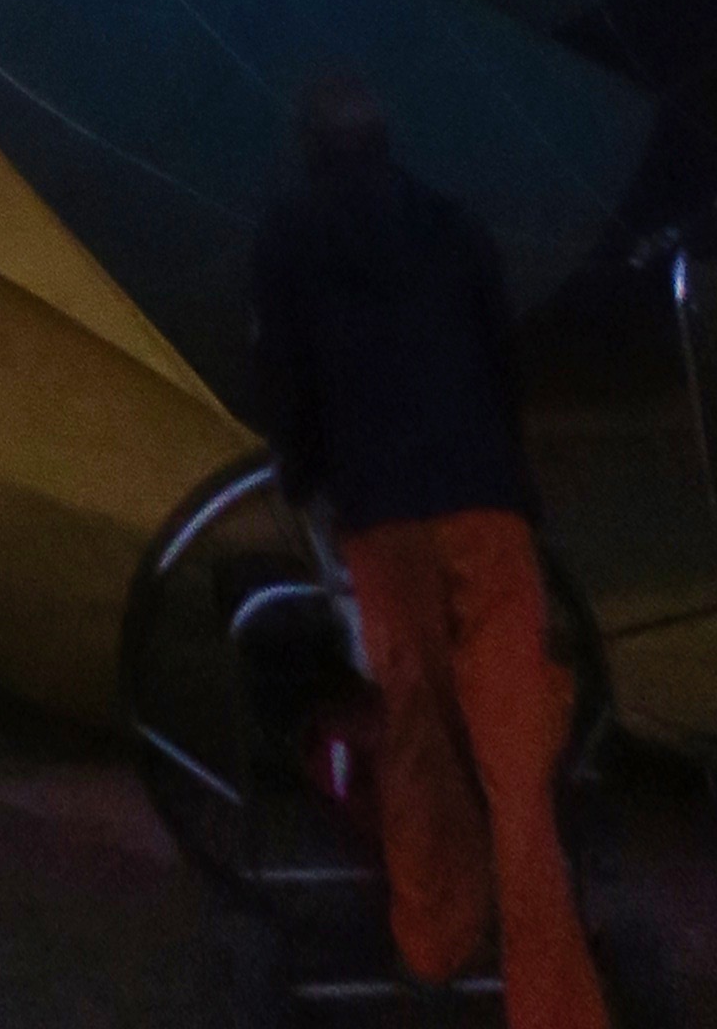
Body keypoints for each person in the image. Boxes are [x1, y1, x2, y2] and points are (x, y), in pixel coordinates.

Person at [247, 72, 606, 1029]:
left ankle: (435, 948)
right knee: (515, 755)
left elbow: (288, 380)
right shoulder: (455, 225)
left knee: (417, 733)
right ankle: (557, 1008)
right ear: (390, 142)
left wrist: (302, 477)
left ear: (309, 149)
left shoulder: (291, 235)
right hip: (485, 507)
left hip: (382, 516)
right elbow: (501, 364)